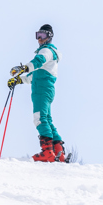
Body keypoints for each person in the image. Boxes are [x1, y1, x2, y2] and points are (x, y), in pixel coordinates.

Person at [8, 24, 66, 162]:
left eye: (43, 35)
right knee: (47, 119)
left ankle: (47, 153)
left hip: (41, 89)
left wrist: (24, 68)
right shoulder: (49, 55)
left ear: (49, 37)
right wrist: (18, 80)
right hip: (44, 87)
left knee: (39, 119)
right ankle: (58, 152)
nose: (39, 39)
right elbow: (32, 77)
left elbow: (38, 61)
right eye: (37, 35)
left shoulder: (46, 50)